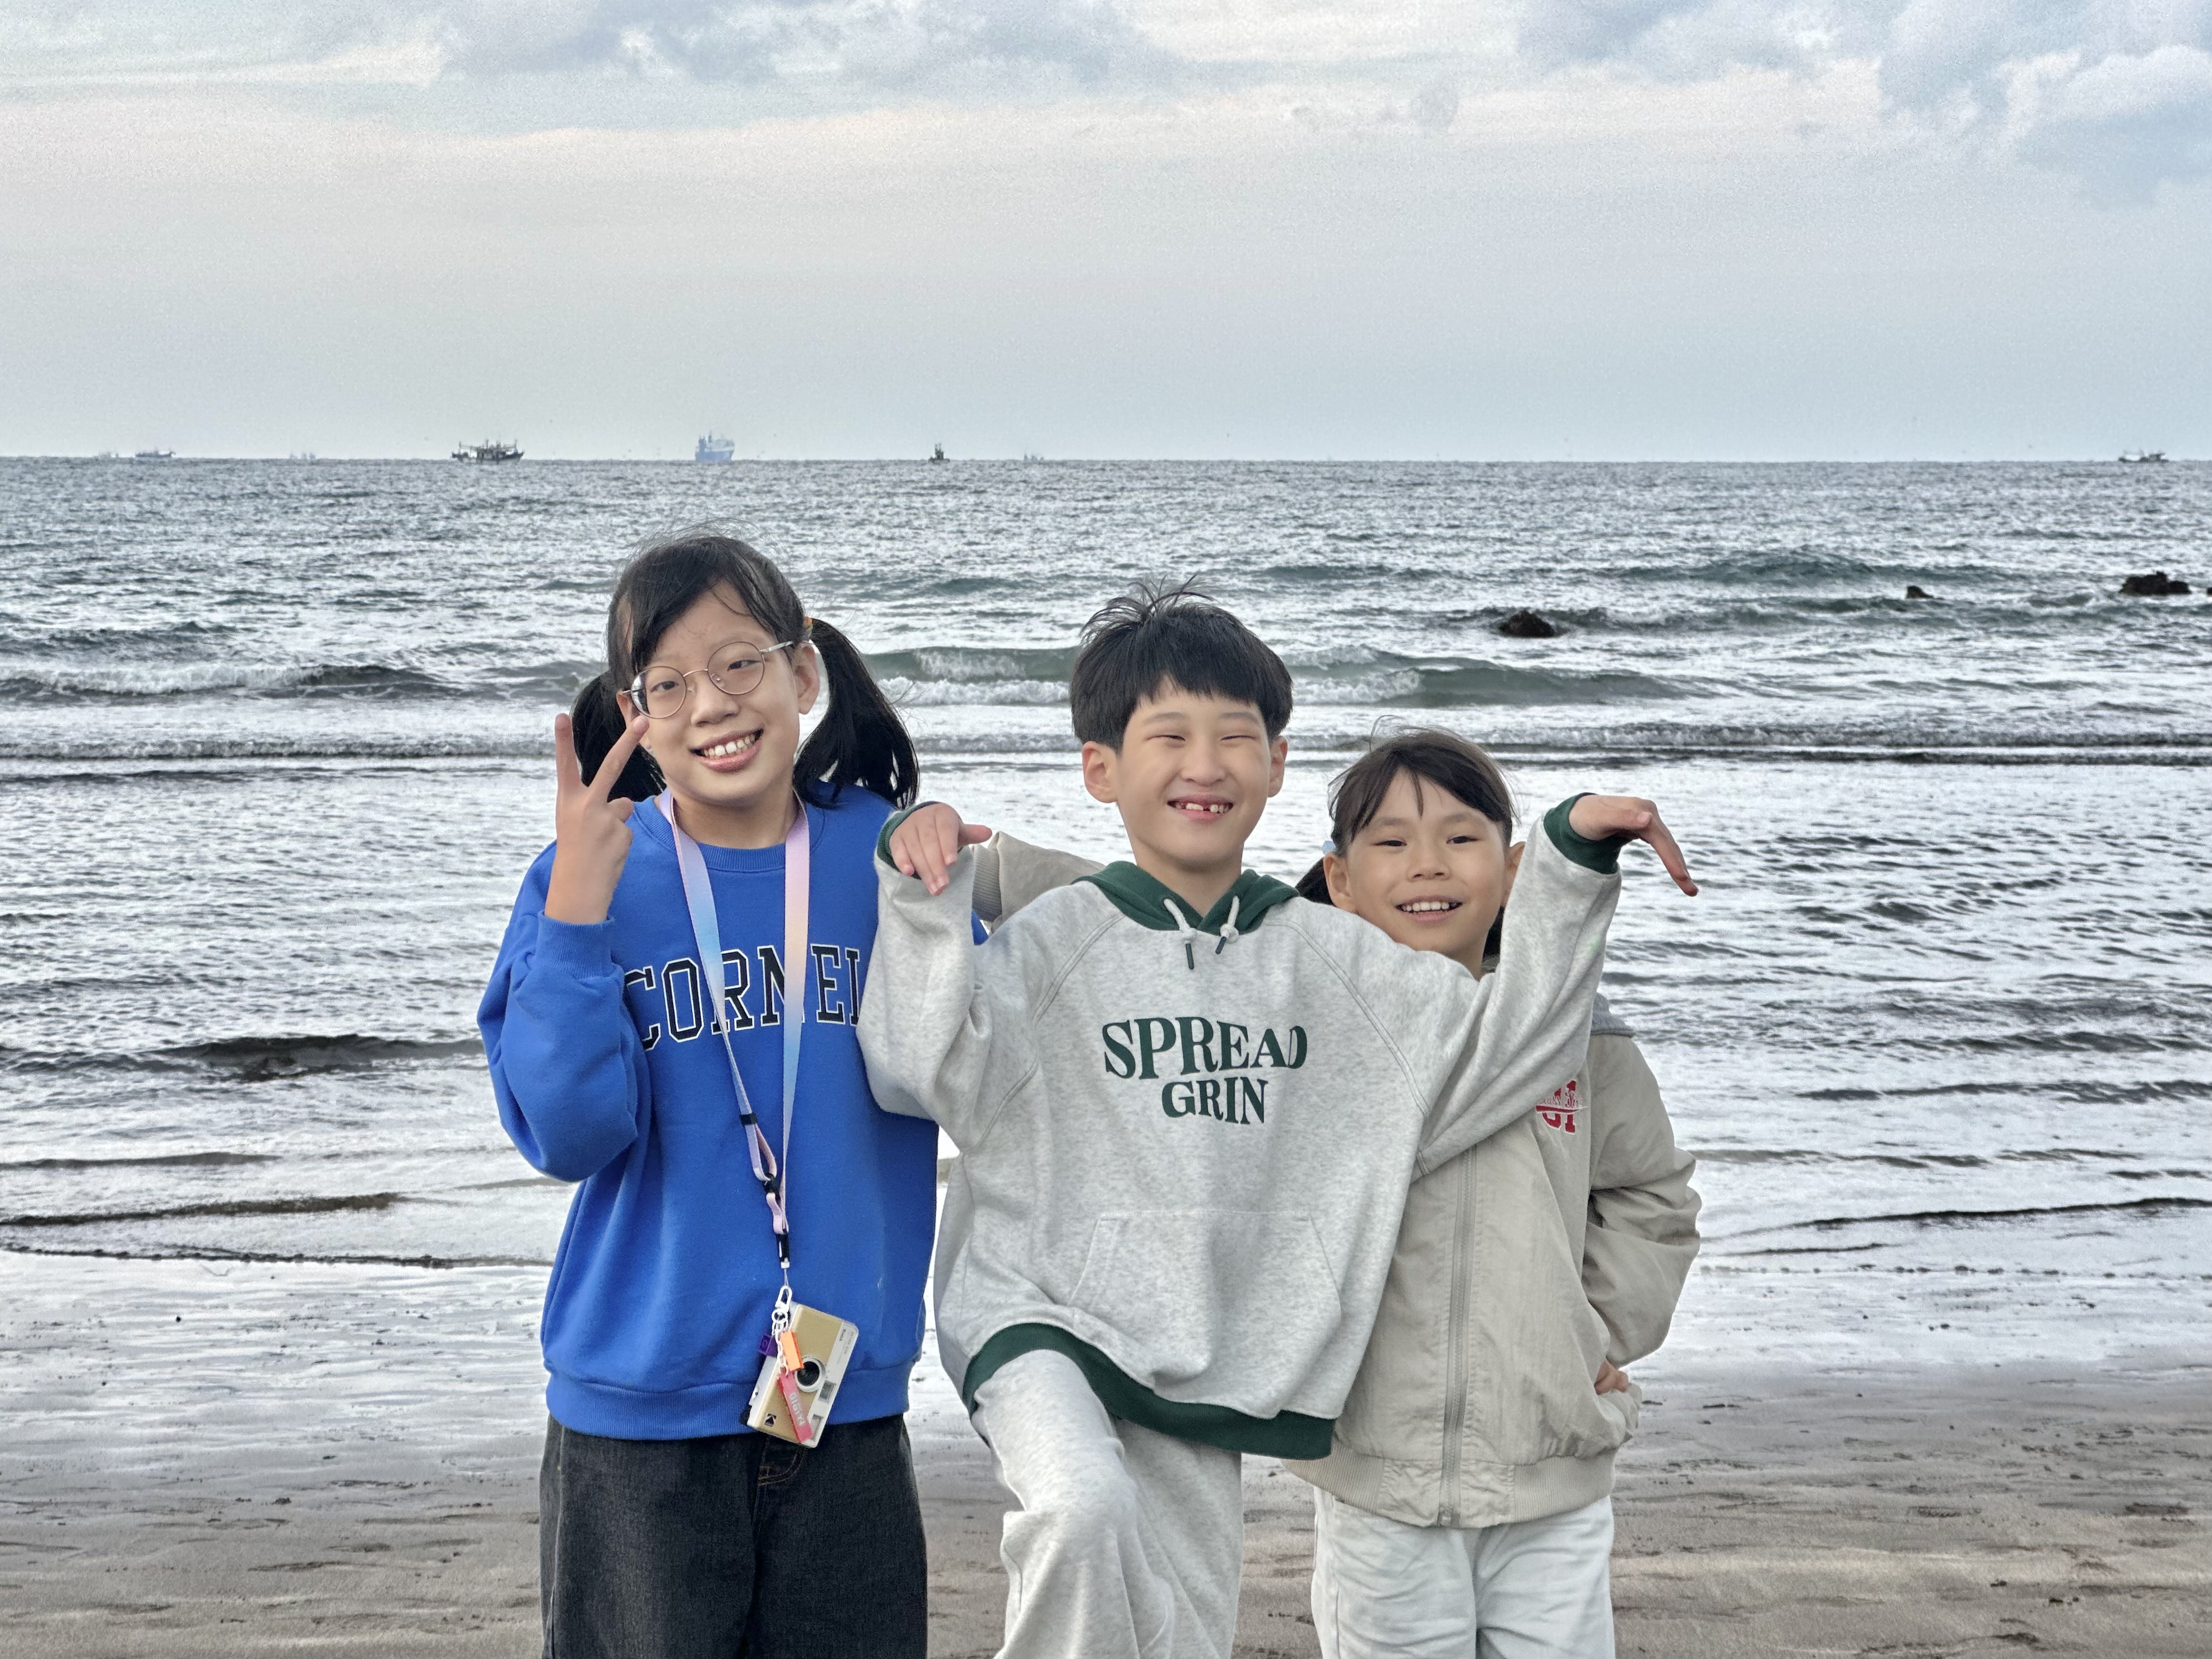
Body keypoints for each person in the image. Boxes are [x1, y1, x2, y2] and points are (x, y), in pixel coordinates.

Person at [862, 582, 1698, 1659]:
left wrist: (1571, 862)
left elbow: (1512, 1044)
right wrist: (926, 885)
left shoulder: (1334, 965)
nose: (1205, 763)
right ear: (1101, 768)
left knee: (1186, 1632)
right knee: (1080, 1509)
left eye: (1234, 736)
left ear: (1278, 763)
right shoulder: (1059, 937)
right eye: (1170, 735)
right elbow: (916, 1067)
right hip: (1038, 1310)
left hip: (1207, 1339)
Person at [477, 531, 934, 1658]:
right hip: (641, 1413)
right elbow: (569, 1132)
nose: (712, 704)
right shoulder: (584, 878)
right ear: (630, 712)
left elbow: (973, 1069)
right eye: (667, 684)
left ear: (804, 671)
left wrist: (945, 870)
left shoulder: (882, 861)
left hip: (841, 1399)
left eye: (739, 664)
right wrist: (575, 918)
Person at [1284, 729, 1701, 1659]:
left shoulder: (1583, 1037)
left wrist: (1594, 1330)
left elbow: (1652, 1196)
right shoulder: (1309, 1039)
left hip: (1552, 1470)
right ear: (1341, 879)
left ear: (1515, 871)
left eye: (1461, 837)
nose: (1428, 863)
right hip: (1379, 1475)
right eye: (1392, 841)